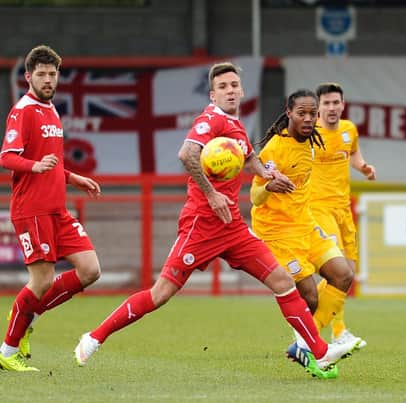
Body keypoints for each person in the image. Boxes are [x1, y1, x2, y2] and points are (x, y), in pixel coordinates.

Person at [73, 63, 354, 379]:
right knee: (160, 294)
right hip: (201, 225)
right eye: (223, 86)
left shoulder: (235, 125)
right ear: (213, 94)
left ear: (242, 90)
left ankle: (317, 350)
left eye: (234, 84)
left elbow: (248, 158)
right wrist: (211, 194)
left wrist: (267, 173)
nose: (231, 90)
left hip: (232, 227)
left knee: (282, 282)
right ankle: (94, 337)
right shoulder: (210, 120)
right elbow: (187, 154)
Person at [0, 45, 102, 372]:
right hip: (32, 209)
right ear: (28, 76)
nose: (47, 79)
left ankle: (29, 314)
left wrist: (74, 178)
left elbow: (52, 162)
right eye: (41, 74)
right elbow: (7, 157)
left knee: (90, 270)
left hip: (57, 209)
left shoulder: (51, 110)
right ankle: (7, 350)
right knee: (41, 280)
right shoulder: (24, 110)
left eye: (52, 73)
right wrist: (34, 166)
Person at [250, 89, 360, 366]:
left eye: (313, 113)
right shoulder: (275, 148)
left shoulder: (313, 140)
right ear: (289, 113)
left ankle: (303, 345)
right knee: (309, 296)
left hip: (306, 224)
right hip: (278, 233)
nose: (309, 118)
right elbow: (254, 196)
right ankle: (312, 346)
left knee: (343, 275)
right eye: (302, 113)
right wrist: (269, 186)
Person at [311, 82, 376, 349]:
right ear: (318, 108)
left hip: (343, 210)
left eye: (335, 102)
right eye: (326, 103)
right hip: (318, 209)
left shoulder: (349, 130)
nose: (331, 108)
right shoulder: (308, 133)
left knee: (347, 273)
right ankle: (335, 331)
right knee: (337, 271)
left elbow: (354, 154)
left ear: (343, 104)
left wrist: (364, 168)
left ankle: (306, 320)